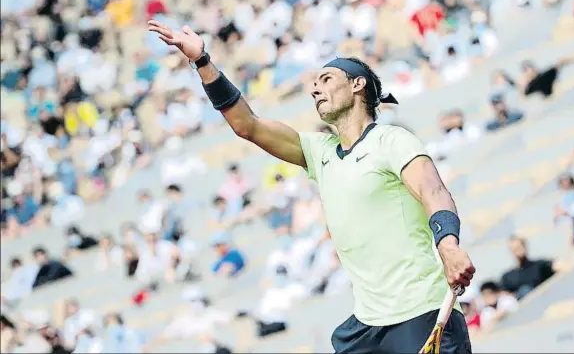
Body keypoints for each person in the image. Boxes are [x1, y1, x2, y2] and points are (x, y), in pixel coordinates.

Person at [148, 20, 475, 353]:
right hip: (367, 324)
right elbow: (247, 125)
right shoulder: (320, 152)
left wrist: (448, 245)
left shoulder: (391, 139)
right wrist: (202, 62)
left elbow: (433, 191)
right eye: (314, 84)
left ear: (358, 85)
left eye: (326, 79)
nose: (315, 89)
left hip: (421, 312)